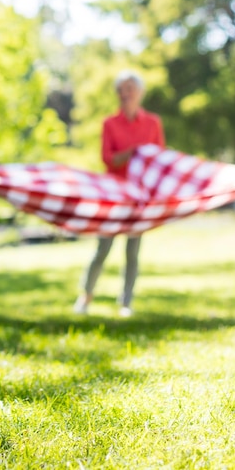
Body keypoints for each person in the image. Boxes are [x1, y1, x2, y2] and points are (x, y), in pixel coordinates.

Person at [73, 70, 165, 317]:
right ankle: (86, 295)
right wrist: (132, 152)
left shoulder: (152, 123)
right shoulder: (110, 124)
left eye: (130, 90)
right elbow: (107, 158)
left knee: (133, 252)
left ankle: (126, 302)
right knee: (103, 248)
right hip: (114, 194)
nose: (125, 95)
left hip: (140, 196)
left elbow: (159, 157)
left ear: (139, 93)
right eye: (121, 90)